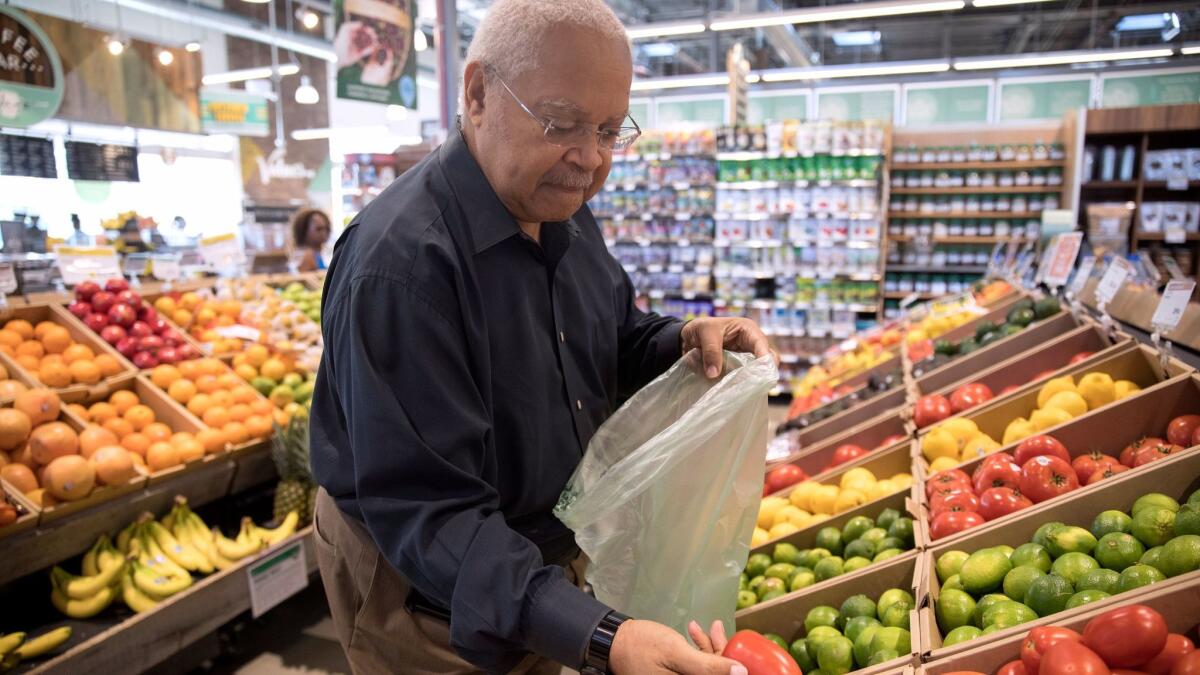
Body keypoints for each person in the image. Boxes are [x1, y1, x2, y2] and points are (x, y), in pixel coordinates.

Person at [308, 1, 769, 673]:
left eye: (611, 130)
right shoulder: (402, 270)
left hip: (534, 558)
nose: (590, 158)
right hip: (429, 588)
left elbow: (605, 340)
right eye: (561, 123)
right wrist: (602, 636)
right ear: (477, 94)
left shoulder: (565, 211)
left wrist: (681, 340)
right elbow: (431, 515)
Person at [291, 207, 332, 271]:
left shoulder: (318, 253)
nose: (324, 232)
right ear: (304, 230)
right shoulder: (307, 256)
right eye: (319, 229)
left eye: (326, 228)